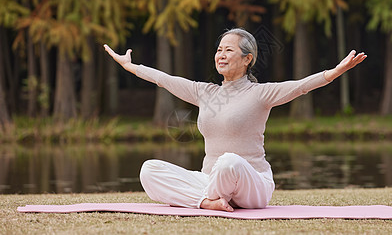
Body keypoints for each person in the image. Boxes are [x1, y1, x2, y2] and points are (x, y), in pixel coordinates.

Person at [104, 28, 366, 212]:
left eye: (229, 50)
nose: (222, 54)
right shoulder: (205, 93)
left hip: (252, 184)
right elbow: (165, 80)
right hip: (210, 180)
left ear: (247, 59)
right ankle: (209, 202)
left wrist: (335, 72)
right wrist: (130, 66)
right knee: (149, 169)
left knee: (229, 161)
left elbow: (300, 86)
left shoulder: (261, 93)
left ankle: (205, 199)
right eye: (219, 50)